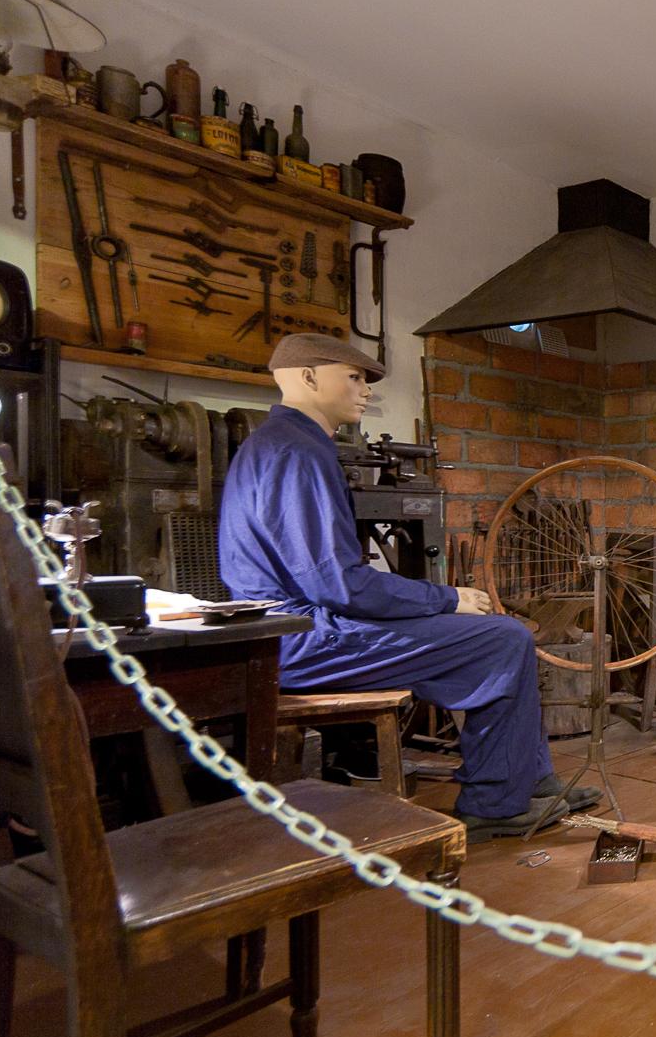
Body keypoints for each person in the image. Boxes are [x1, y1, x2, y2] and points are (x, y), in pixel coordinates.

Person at [218, 334, 597, 838]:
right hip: (297, 639)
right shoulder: (296, 451)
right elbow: (338, 584)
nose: (366, 390)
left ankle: (530, 782)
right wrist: (447, 598)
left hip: (297, 627)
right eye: (354, 377)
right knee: (503, 640)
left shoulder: (282, 443)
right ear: (308, 377)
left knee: (498, 638)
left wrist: (436, 603)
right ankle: (494, 804)